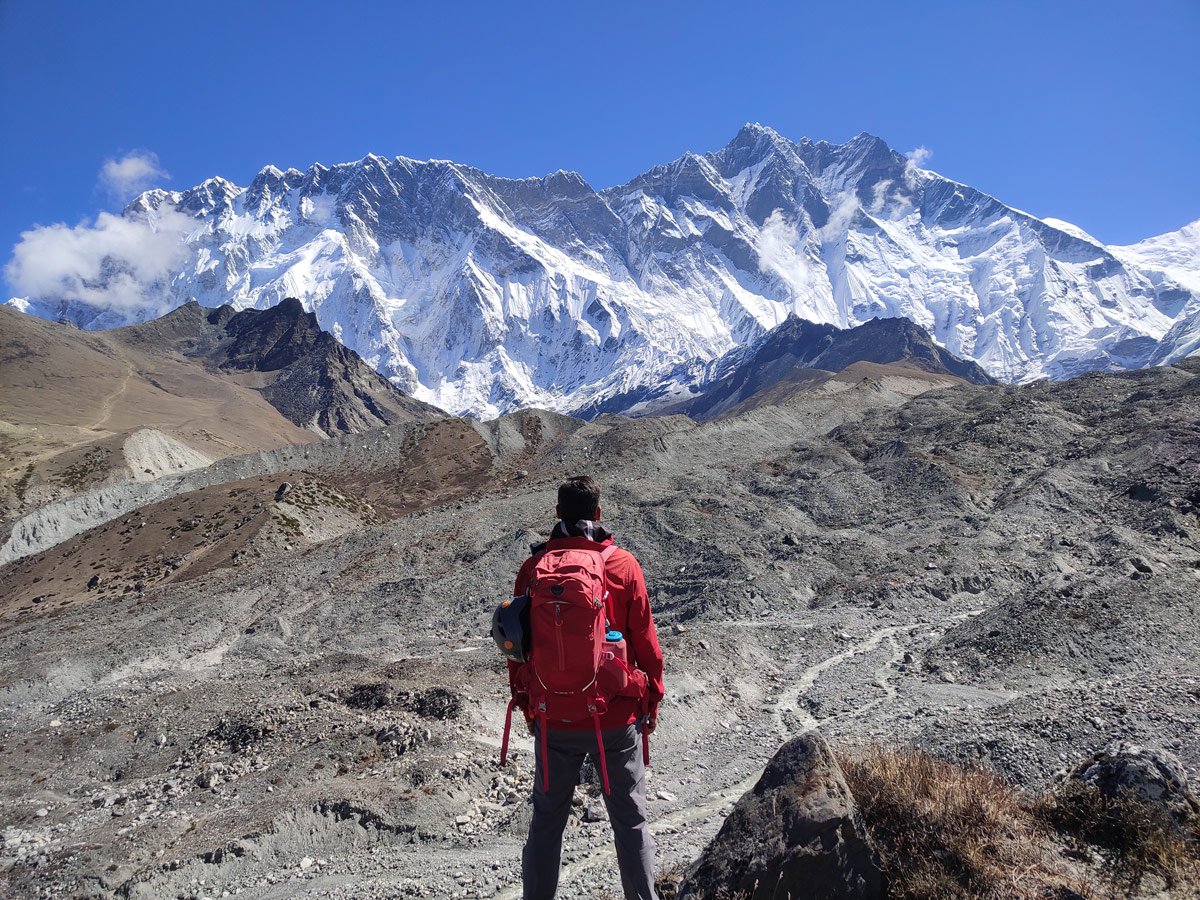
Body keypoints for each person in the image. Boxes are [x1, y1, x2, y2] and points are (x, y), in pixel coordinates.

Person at [509, 475, 665, 900]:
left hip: (554, 715)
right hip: (614, 715)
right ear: (598, 514)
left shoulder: (533, 570)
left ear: (557, 514)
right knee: (630, 822)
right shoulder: (623, 565)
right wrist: (651, 700)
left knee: (546, 823)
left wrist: (527, 703)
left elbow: (517, 647)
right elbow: (647, 644)